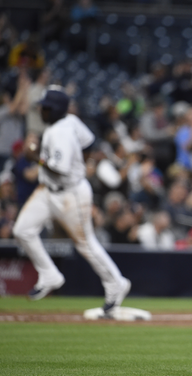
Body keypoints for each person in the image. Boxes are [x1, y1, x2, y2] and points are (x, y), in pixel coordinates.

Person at [12, 87, 131, 318]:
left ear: (55, 109)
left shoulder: (60, 133)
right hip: (47, 191)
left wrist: (33, 156)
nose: (42, 110)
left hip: (70, 194)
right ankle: (49, 274)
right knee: (22, 230)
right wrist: (81, 163)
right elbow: (89, 142)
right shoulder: (71, 120)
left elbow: (59, 168)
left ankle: (116, 283)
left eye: (45, 107)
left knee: (85, 244)